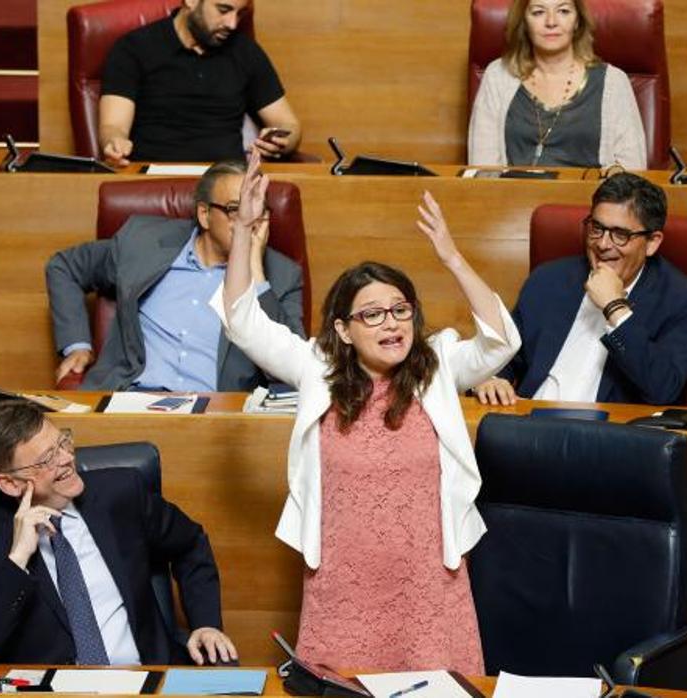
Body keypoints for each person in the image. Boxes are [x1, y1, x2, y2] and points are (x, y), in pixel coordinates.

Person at [209, 150, 520, 671]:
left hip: (427, 582)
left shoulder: (438, 363)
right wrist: (242, 229)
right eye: (372, 315)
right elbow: (242, 321)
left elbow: (499, 342)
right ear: (342, 330)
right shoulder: (316, 369)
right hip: (343, 583)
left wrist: (451, 257)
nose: (391, 324)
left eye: (400, 310)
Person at [0, 399, 236, 667]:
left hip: (147, 678)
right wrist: (17, 558)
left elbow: (190, 543)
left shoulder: (121, 494)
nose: (67, 459)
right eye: (47, 460)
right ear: (10, 484)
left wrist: (206, 623)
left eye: (63, 443)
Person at [46, 159, 305, 391]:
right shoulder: (142, 241)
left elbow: (292, 368)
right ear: (204, 215)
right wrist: (76, 345)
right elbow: (65, 267)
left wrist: (255, 273)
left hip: (216, 416)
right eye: (237, 209)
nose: (251, 221)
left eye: (260, 210)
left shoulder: (282, 276)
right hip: (130, 398)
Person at [473, 172, 687, 406]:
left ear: (652, 242)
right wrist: (493, 378)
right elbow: (507, 356)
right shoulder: (549, 279)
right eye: (597, 228)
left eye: (620, 235)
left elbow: (662, 389)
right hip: (531, 423)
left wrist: (615, 307)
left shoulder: (680, 299)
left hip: (604, 435)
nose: (603, 244)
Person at [98, 0, 301, 165]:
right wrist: (115, 142)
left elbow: (289, 124)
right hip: (152, 180)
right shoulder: (134, 48)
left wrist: (283, 140)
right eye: (224, 10)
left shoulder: (245, 52)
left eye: (240, 14)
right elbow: (113, 125)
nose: (232, 24)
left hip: (226, 183)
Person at [468, 0, 647, 170]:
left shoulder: (614, 82)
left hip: (590, 200)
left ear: (577, 20)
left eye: (563, 11)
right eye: (538, 12)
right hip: (513, 199)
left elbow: (632, 173)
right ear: (524, 21)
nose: (551, 22)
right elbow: (483, 171)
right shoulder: (498, 76)